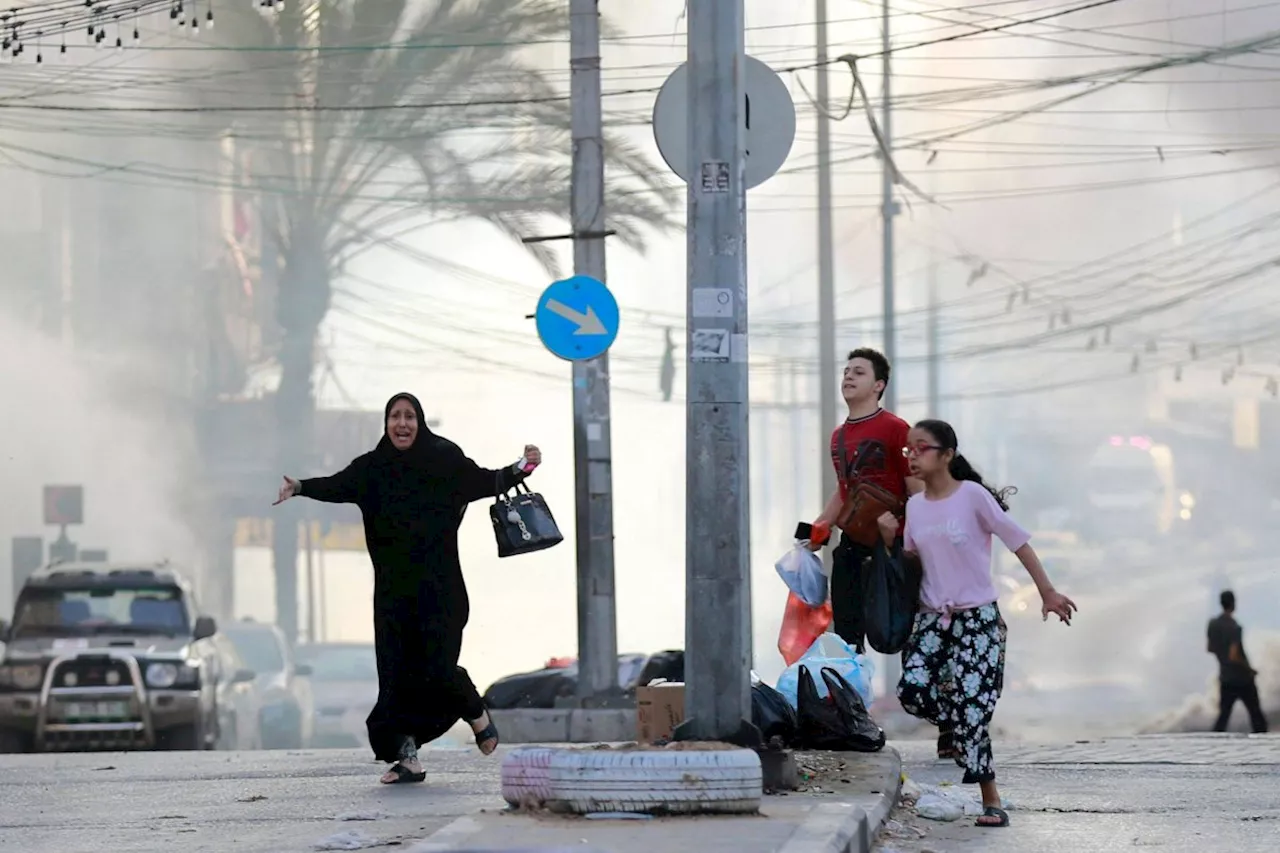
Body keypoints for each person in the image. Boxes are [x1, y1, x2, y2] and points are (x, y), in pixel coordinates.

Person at [274, 392, 541, 784]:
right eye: (395, 417)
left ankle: (476, 713)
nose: (402, 424)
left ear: (420, 422)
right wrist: (298, 486)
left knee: (436, 670)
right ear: (386, 424)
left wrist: (523, 466)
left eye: (409, 416)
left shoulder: (444, 460)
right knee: (396, 682)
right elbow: (336, 486)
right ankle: (407, 758)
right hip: (393, 600)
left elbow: (485, 480)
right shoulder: (373, 469)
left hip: (442, 594)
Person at [882, 418, 1076, 829]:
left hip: (977, 620)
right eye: (908, 450)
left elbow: (1018, 541)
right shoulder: (915, 507)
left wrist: (1047, 592)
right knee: (913, 691)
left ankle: (992, 800)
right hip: (933, 620)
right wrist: (888, 541)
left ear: (947, 455)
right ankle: (957, 721)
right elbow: (913, 563)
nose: (912, 456)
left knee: (973, 711)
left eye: (921, 448)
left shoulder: (971, 497)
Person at [812, 348, 921, 651]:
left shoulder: (896, 429)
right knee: (846, 640)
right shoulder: (838, 437)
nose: (848, 377)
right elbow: (844, 490)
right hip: (853, 544)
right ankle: (852, 694)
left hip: (894, 548)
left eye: (859, 373)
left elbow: (917, 490)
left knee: (902, 632)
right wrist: (813, 531)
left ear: (878, 386)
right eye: (846, 372)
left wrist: (902, 538)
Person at [1207, 590, 1268, 734]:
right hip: (1242, 679)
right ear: (1233, 603)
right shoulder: (1234, 627)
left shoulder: (1213, 624)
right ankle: (1266, 752)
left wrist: (1222, 658)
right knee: (1257, 718)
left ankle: (1212, 748)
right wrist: (1249, 669)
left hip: (1225, 678)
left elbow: (1210, 648)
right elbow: (1233, 655)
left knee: (1223, 718)